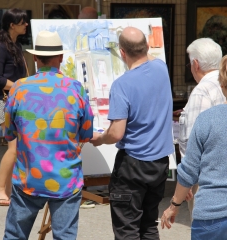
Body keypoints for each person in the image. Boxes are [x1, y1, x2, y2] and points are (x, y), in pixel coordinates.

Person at [3, 30, 93, 240]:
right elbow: (86, 133)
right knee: (64, 237)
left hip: (29, 178)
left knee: (14, 236)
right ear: (61, 57)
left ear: (34, 57)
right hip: (66, 180)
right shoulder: (76, 89)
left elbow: (9, 133)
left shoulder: (19, 88)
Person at [90, 27, 174, 240]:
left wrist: (99, 139)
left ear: (122, 52)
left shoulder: (122, 85)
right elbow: (149, 56)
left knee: (127, 230)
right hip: (159, 162)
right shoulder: (161, 68)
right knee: (148, 225)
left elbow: (117, 133)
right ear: (146, 47)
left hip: (133, 165)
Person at [160, 55, 227, 240]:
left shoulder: (207, 120)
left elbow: (189, 170)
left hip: (212, 215)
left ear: (222, 86)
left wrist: (174, 205)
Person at [178, 38, 225, 220]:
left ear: (195, 64)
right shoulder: (222, 84)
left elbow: (192, 142)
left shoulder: (202, 91)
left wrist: (186, 182)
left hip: (206, 181)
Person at [0, 8, 29, 206]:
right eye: (22, 21)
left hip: (13, 100)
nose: (26, 24)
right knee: (14, 147)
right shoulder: (1, 47)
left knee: (17, 146)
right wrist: (22, 85)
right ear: (12, 25)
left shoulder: (15, 45)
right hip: (2, 101)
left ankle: (5, 189)